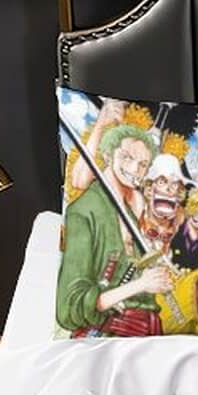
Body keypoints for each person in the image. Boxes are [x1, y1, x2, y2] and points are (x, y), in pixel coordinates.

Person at [56, 121, 174, 337]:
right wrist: (141, 285)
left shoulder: (132, 211)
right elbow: (71, 304)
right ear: (108, 155)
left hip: (148, 335)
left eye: (143, 164)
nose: (135, 169)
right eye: (127, 157)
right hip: (107, 335)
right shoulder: (83, 211)